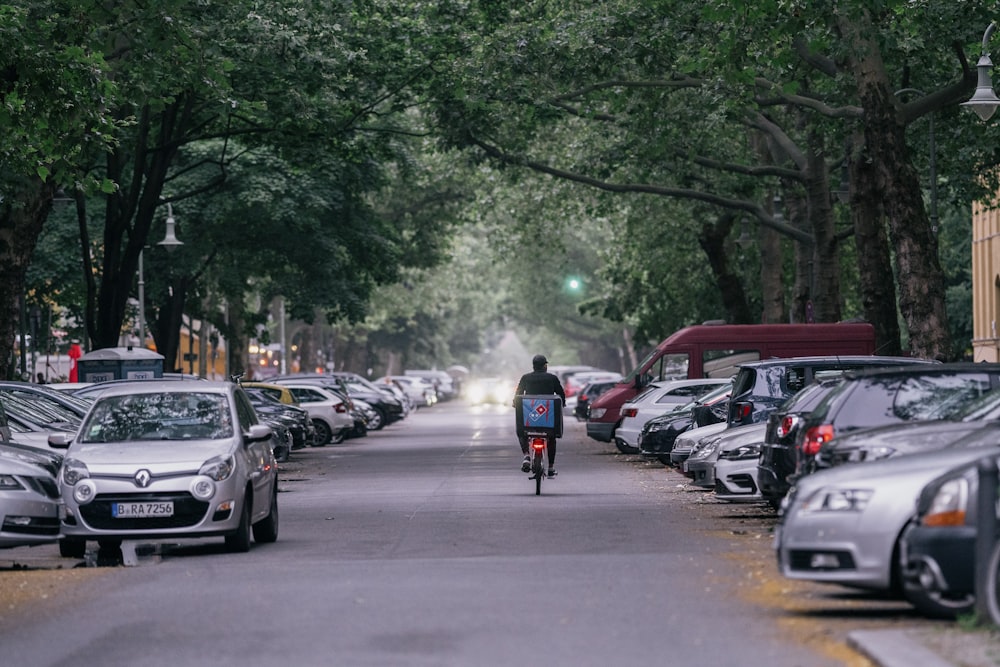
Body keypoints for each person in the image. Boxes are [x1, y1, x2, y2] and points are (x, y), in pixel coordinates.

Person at [512, 354, 566, 476]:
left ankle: (526, 455)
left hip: (530, 419)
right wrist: (562, 404)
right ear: (545, 366)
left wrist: (515, 403)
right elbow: (561, 395)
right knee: (551, 438)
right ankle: (551, 468)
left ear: (534, 366)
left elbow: (518, 395)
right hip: (548, 420)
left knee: (522, 432)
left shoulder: (525, 378)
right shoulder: (552, 378)